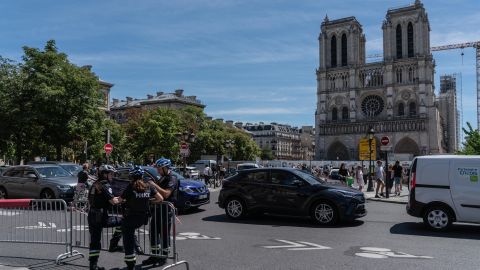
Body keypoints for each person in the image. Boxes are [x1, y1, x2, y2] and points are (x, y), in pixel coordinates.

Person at [119, 166, 163, 270]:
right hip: (142, 218)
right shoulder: (148, 186)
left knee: (128, 239)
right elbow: (160, 199)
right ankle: (137, 246)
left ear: (132, 176)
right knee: (131, 234)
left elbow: (120, 199)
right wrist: (149, 202)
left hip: (130, 218)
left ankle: (131, 264)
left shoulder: (130, 187)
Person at [142, 158, 179, 266]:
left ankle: (163, 257)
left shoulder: (172, 178)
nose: (157, 171)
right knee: (153, 233)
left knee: (164, 234)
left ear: (165, 168)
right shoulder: (162, 177)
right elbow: (157, 194)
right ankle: (154, 255)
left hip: (165, 211)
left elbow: (167, 194)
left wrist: (154, 185)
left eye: (159, 168)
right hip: (157, 210)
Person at [87, 165, 120, 270]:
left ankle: (93, 265)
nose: (112, 176)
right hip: (100, 216)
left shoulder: (95, 184)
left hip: (92, 215)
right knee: (124, 221)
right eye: (110, 173)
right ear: (104, 174)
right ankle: (114, 244)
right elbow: (113, 201)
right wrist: (125, 199)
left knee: (95, 241)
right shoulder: (104, 184)